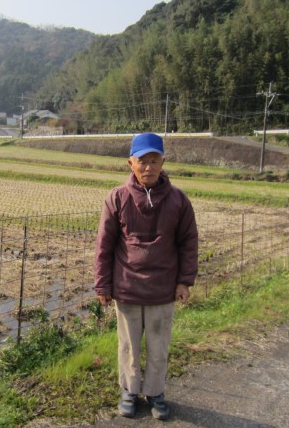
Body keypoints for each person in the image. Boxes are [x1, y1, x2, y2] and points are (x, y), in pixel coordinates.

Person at [94, 132, 198, 420]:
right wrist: (102, 284)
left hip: (163, 290)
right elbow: (104, 244)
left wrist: (184, 281)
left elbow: (188, 242)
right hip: (126, 288)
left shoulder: (178, 200)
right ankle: (129, 390)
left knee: (158, 346)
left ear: (163, 162)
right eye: (142, 161)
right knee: (128, 346)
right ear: (130, 163)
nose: (148, 167)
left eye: (155, 160)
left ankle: (155, 392)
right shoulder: (117, 198)